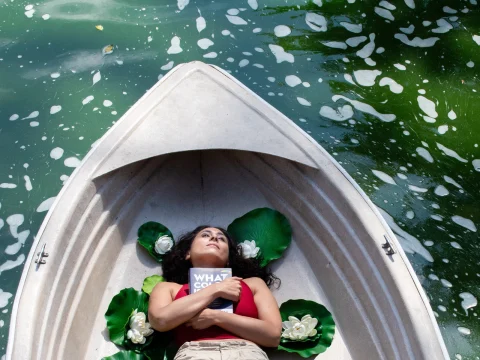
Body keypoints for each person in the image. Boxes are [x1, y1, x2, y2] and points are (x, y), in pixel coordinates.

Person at [148, 225, 282, 360]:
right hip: (193, 353)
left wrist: (215, 317)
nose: (214, 238)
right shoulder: (168, 288)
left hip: (247, 353)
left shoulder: (253, 284)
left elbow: (273, 335)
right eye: (205, 235)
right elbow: (160, 320)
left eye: (222, 239)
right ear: (188, 253)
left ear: (229, 257)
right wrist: (216, 289)